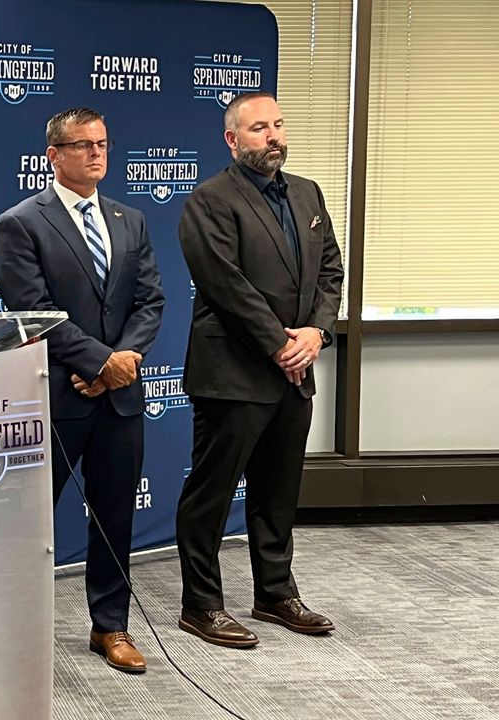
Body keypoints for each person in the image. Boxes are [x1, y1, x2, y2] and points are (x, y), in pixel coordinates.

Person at [0, 108, 165, 673]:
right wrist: (97, 361)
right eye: (82, 144)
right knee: (32, 521)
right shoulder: (20, 222)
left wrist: (121, 363)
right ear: (54, 154)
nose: (96, 153)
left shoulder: (130, 219)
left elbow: (149, 301)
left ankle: (110, 627)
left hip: (118, 398)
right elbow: (32, 311)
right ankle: (15, 631)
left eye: (103, 143)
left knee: (114, 515)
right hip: (56, 397)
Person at [174, 92, 344, 648]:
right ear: (233, 140)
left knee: (278, 491)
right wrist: (280, 344)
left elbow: (330, 270)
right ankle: (201, 605)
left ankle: (275, 592)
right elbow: (226, 286)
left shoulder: (308, 192)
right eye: (257, 129)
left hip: (295, 369)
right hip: (233, 372)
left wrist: (317, 333)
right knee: (212, 493)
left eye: (277, 125)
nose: (273, 136)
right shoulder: (209, 200)